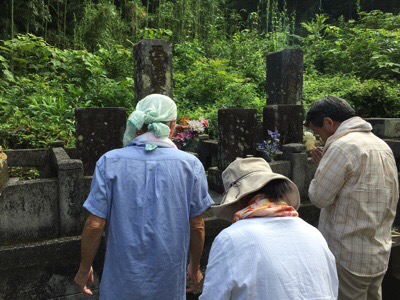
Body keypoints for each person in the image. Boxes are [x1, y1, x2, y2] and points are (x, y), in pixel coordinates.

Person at [74, 94, 214, 299]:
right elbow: (197, 225)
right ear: (173, 124)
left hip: (121, 283)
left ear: (140, 124)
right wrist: (194, 267)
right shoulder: (190, 165)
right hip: (168, 284)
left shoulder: (109, 161)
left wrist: (84, 268)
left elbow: (95, 225)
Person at [200, 157, 338, 300]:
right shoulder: (313, 233)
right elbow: (332, 290)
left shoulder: (230, 239)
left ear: (239, 199)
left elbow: (213, 295)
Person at [306, 96, 399, 300]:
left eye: (317, 131)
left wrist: (321, 168)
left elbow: (318, 198)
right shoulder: (381, 145)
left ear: (329, 123)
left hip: (347, 253)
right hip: (378, 250)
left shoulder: (341, 146)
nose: (320, 138)